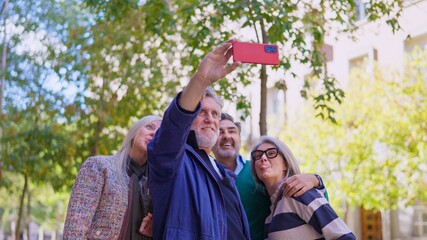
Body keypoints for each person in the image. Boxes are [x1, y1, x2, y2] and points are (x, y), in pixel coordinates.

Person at [148, 39, 251, 239]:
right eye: (201, 112)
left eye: (215, 114)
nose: (210, 119)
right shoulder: (173, 159)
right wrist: (201, 79)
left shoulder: (224, 173)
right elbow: (174, 126)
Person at [212, 113, 327, 240]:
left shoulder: (262, 170)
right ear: (211, 137)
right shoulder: (205, 179)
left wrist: (316, 180)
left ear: (239, 137)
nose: (227, 136)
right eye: (219, 132)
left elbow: (313, 202)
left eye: (232, 131)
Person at [63, 115, 161, 240]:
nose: (153, 133)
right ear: (134, 132)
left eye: (160, 132)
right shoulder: (99, 166)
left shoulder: (155, 185)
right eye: (149, 127)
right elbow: (75, 227)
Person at [250, 136, 356, 239]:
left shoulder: (299, 193)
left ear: (285, 164)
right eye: (258, 155)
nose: (263, 158)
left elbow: (345, 236)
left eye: (271, 153)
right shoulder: (270, 215)